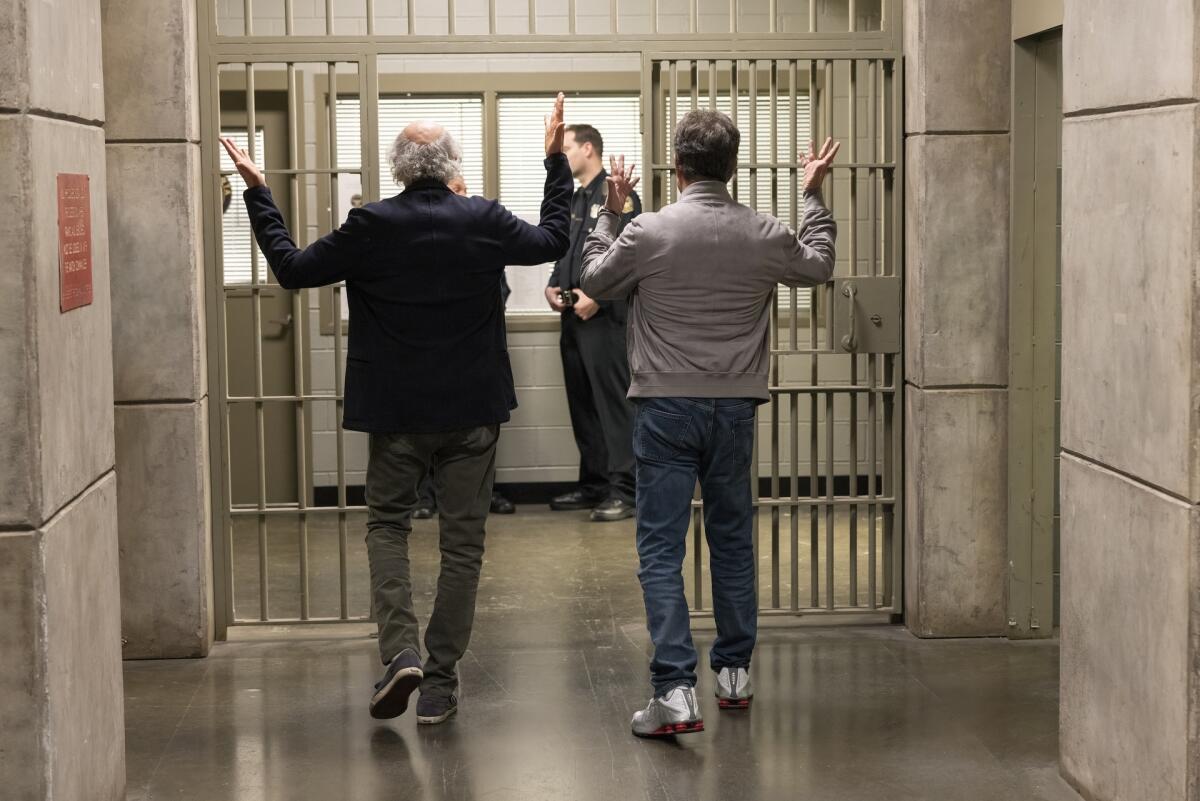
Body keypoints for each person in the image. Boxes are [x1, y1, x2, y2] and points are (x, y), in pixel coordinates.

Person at [220, 92, 572, 726]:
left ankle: (401, 651)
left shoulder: (372, 225)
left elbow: (293, 269)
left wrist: (259, 192)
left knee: (388, 528)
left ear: (400, 167)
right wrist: (554, 162)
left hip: (396, 413)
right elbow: (552, 238)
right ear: (450, 163)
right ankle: (439, 684)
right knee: (463, 548)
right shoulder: (483, 218)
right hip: (472, 411)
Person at [579, 111, 840, 738]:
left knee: (661, 550)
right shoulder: (764, 231)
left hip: (665, 407)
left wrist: (609, 214)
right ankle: (733, 676)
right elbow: (820, 264)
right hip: (736, 408)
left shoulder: (649, 230)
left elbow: (592, 279)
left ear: (677, 168)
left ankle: (674, 691)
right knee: (731, 540)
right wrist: (813, 194)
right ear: (732, 167)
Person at [545, 124, 642, 523]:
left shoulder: (617, 194)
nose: (562, 155)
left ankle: (626, 491)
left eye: (566, 148)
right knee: (583, 406)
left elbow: (629, 253)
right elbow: (568, 249)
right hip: (572, 316)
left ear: (588, 149)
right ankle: (595, 485)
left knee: (614, 407)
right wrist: (554, 283)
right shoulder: (575, 196)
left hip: (604, 318)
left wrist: (598, 298)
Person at [414, 173, 516, 519]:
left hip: (475, 349)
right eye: (452, 190)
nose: (458, 196)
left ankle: (485, 495)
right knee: (426, 428)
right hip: (429, 352)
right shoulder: (418, 237)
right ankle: (426, 497)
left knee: (480, 430)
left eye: (462, 191)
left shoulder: (482, 236)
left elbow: (500, 291)